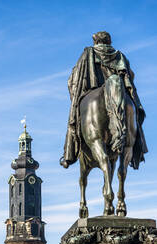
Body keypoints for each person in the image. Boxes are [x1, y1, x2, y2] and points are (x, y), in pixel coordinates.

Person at [60, 31, 148, 169]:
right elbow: (130, 76)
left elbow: (74, 79)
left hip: (93, 91)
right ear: (109, 42)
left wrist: (76, 96)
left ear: (96, 41)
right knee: (134, 115)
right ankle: (138, 147)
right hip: (119, 96)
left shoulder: (88, 53)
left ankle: (69, 155)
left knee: (75, 117)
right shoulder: (120, 55)